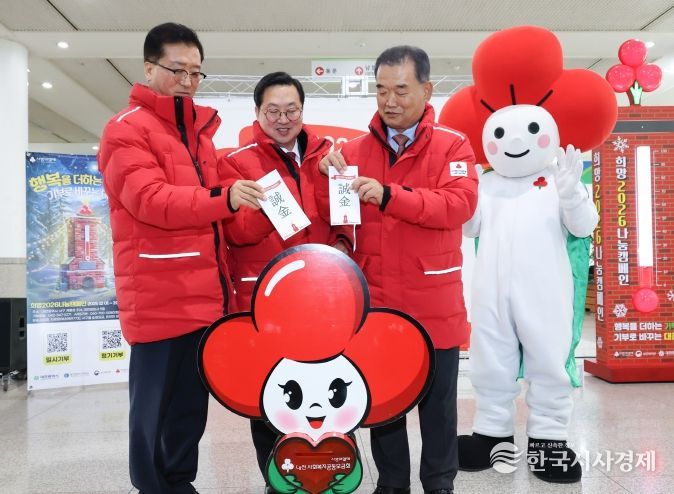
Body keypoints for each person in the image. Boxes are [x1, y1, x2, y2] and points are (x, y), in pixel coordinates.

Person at [98, 22, 263, 494]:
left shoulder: (200, 136)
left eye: (195, 72)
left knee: (189, 409)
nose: (187, 81)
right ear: (149, 69)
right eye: (177, 70)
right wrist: (224, 198)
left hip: (204, 298)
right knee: (153, 411)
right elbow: (150, 200)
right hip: (158, 298)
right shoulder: (125, 130)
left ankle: (178, 482)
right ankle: (152, 486)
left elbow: (220, 215)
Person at [319, 46, 478, 494]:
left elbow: (459, 204)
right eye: (381, 90)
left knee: (439, 407)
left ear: (427, 90)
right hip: (378, 303)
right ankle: (391, 484)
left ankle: (439, 483)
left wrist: (390, 195)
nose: (389, 101)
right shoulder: (352, 151)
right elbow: (337, 220)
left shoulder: (453, 144)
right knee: (384, 405)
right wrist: (322, 172)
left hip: (434, 302)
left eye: (401, 90)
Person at [218, 71, 347, 493]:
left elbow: (344, 219)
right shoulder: (236, 162)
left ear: (303, 110)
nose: (283, 119)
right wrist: (268, 206)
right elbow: (236, 232)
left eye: (292, 110)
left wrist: (343, 242)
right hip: (265, 299)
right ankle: (280, 481)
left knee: (324, 392)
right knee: (273, 396)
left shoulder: (328, 156)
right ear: (257, 112)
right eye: (273, 111)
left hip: (321, 299)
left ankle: (325, 477)